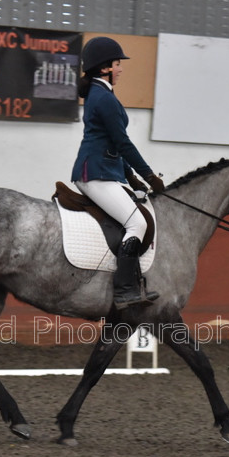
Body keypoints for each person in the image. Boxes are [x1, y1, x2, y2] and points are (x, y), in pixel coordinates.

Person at [71, 36, 166, 310]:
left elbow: (113, 145)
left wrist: (131, 177)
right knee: (137, 224)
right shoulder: (103, 97)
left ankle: (133, 284)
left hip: (106, 170)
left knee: (137, 216)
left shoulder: (102, 94)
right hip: (95, 173)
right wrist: (149, 175)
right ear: (104, 69)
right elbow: (123, 143)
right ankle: (124, 291)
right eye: (117, 63)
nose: (121, 68)